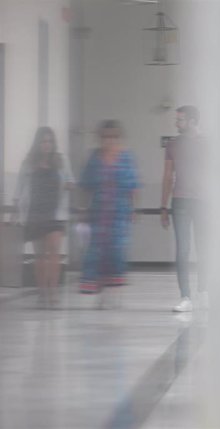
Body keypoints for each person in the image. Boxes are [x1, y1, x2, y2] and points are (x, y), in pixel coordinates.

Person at [78, 120, 139, 300]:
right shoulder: (94, 158)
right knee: (96, 251)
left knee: (117, 251)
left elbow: (133, 186)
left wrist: (134, 209)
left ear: (119, 138)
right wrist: (82, 209)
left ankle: (114, 294)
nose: (109, 141)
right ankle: (97, 290)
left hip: (119, 213)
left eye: (113, 137)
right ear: (100, 138)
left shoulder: (126, 157)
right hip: (98, 212)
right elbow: (85, 186)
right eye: (105, 137)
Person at [13, 127, 74, 306]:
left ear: (53, 143)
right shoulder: (28, 163)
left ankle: (53, 292)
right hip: (35, 213)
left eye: (49, 141)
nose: (46, 145)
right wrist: (16, 211)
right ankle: (42, 292)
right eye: (43, 141)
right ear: (37, 143)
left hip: (56, 212)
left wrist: (67, 186)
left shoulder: (62, 161)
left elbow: (71, 181)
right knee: (40, 254)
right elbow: (19, 188)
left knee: (54, 252)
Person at [161, 105, 209, 312]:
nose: (176, 123)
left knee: (204, 248)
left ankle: (204, 292)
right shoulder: (172, 144)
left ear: (191, 121)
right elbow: (167, 176)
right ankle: (185, 297)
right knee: (183, 250)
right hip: (180, 201)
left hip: (203, 202)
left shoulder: (208, 143)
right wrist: (162, 206)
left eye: (180, 120)